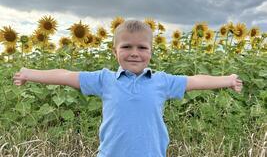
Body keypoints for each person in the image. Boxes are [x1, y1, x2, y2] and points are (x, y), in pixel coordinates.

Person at [13, 20, 243, 157]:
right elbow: (64, 75)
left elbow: (197, 80)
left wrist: (229, 79)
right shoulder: (104, 79)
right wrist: (28, 73)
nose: (135, 52)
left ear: (151, 52)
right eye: (127, 46)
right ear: (114, 52)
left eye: (142, 47)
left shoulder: (162, 81)